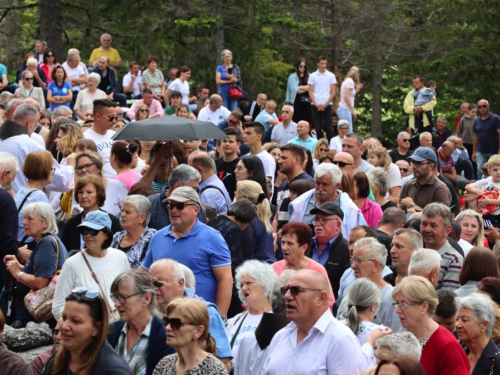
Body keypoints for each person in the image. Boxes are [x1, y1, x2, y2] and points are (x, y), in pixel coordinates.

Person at [141, 187, 233, 318]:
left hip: (198, 317)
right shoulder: (157, 237)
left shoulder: (213, 238)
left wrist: (220, 317)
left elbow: (226, 280)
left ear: (196, 209)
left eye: (180, 206)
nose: (174, 210)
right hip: (162, 317)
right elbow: (144, 274)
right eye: (171, 206)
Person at [261, 269, 363, 374]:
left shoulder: (341, 339)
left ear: (321, 298)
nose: (286, 296)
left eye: (295, 290)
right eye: (285, 290)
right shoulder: (280, 337)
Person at [148, 259, 232, 370]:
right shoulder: (147, 312)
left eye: (158, 283)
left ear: (180, 284)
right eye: (149, 284)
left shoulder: (206, 311)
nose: (154, 288)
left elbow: (224, 363)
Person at [53, 210, 130, 319]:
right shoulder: (72, 263)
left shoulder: (120, 257)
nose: (88, 235)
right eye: (84, 231)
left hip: (116, 327)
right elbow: (58, 306)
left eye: (94, 231)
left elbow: (127, 294)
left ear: (106, 235)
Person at [4, 202, 69, 328]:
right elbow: (41, 272)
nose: (24, 222)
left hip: (31, 321)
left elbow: (42, 282)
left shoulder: (46, 243)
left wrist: (17, 273)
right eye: (24, 218)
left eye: (30, 219)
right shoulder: (49, 241)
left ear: (45, 223)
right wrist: (19, 267)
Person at [392, 276, 470, 374]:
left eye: (404, 304)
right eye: (397, 304)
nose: (397, 310)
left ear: (424, 307)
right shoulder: (405, 339)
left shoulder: (448, 346)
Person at [45, 288, 133, 375]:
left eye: (75, 321)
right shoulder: (56, 361)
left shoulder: (113, 371)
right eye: (64, 318)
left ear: (96, 329)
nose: (64, 326)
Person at [107, 270, 174, 375]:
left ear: (146, 298)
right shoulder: (111, 331)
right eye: (115, 297)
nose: (116, 304)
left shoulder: (165, 335)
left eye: (123, 298)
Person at [289, 162, 366, 238]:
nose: (320, 188)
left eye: (325, 184)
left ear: (337, 185)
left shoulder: (351, 210)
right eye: (317, 183)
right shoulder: (299, 204)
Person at [153, 298, 229, 375]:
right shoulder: (164, 365)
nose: (167, 328)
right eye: (166, 321)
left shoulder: (215, 370)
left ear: (198, 331)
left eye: (175, 323)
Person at [225, 260, 277, 367]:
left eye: (248, 283)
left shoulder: (278, 321)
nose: (244, 288)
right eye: (241, 284)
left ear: (265, 284)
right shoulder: (234, 321)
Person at [272, 222, 335, 309]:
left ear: (304, 247)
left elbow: (329, 303)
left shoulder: (317, 270)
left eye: (290, 244)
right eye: (283, 242)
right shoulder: (273, 269)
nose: (284, 247)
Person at [61, 173, 122, 250]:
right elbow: (65, 251)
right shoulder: (71, 223)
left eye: (89, 192)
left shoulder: (112, 221)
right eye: (80, 192)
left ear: (99, 195)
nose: (83, 196)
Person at [66, 151, 127, 218]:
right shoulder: (79, 190)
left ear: (99, 167)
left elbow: (127, 214)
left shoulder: (117, 186)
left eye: (88, 165)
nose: (83, 170)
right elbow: (74, 218)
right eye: (80, 167)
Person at [420, 203, 464, 290]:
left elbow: (447, 299)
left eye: (433, 226)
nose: (427, 229)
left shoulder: (454, 260)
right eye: (424, 224)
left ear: (447, 230)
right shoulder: (415, 253)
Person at [14, 151, 53, 247]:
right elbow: (46, 227)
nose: (53, 173)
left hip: (18, 241)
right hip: (30, 244)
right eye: (51, 169)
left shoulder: (22, 190)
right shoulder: (39, 196)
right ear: (42, 171)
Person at [456, 293, 500, 375]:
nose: (457, 325)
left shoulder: (497, 360)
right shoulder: (460, 355)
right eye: (457, 319)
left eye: (464, 320)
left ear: (484, 325)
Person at [275, 144, 314, 230]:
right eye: (279, 158)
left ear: (297, 160)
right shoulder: (282, 186)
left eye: (284, 158)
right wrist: (274, 234)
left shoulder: (308, 184)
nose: (279, 161)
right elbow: (277, 217)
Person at [111, 195, 157, 269]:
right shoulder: (117, 237)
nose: (122, 215)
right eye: (122, 211)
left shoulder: (153, 237)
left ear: (142, 218)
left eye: (127, 212)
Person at [235, 180, 275, 263]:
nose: (235, 196)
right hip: (267, 268)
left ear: (245, 198)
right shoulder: (264, 217)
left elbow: (246, 254)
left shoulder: (248, 222)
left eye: (237, 193)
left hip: (255, 271)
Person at [84, 99, 118, 179]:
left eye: (116, 118)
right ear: (98, 116)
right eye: (111, 118)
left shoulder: (116, 136)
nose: (114, 121)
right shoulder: (84, 138)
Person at [308, 56, 337, 141]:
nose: (323, 65)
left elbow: (333, 91)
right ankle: (320, 144)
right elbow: (310, 91)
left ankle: (331, 144)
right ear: (318, 64)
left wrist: (326, 103)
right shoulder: (313, 76)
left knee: (328, 127)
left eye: (325, 63)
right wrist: (316, 104)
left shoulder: (331, 75)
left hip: (327, 104)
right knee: (318, 127)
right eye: (321, 63)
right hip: (315, 103)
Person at [243, 122, 276, 187]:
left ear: (259, 136)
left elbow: (268, 186)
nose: (244, 136)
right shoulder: (245, 157)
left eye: (248, 133)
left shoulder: (267, 159)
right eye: (244, 133)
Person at [473, 99, 500, 179]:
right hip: (481, 150)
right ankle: (479, 188)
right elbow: (475, 136)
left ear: (488, 107)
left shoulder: (496, 118)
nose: (482, 108)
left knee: (494, 171)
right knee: (480, 171)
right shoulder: (477, 120)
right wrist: (474, 152)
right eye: (480, 106)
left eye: (484, 106)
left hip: (494, 151)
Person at [404, 75, 437, 139]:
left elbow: (433, 102)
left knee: (427, 144)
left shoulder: (428, 91)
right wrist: (414, 109)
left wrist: (421, 108)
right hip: (414, 125)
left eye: (416, 83)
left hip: (427, 124)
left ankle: (434, 130)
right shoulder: (410, 94)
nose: (414, 84)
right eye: (413, 82)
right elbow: (406, 108)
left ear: (422, 83)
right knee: (415, 146)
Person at [215, 127, 240, 202]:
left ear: (238, 145)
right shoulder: (214, 163)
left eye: (231, 141)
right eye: (224, 141)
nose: (227, 144)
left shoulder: (240, 166)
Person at [337, 66, 363, 133]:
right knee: (348, 132)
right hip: (345, 109)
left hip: (344, 109)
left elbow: (350, 94)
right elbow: (346, 97)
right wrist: (353, 110)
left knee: (348, 132)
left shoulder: (347, 80)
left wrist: (357, 89)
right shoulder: (350, 82)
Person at [286, 59, 311, 123]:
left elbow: (312, 88)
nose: (302, 68)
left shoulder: (310, 76)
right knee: (297, 121)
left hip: (308, 103)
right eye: (301, 66)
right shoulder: (292, 77)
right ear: (298, 66)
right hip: (297, 103)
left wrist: (300, 87)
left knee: (306, 122)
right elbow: (296, 90)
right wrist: (306, 88)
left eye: (304, 66)